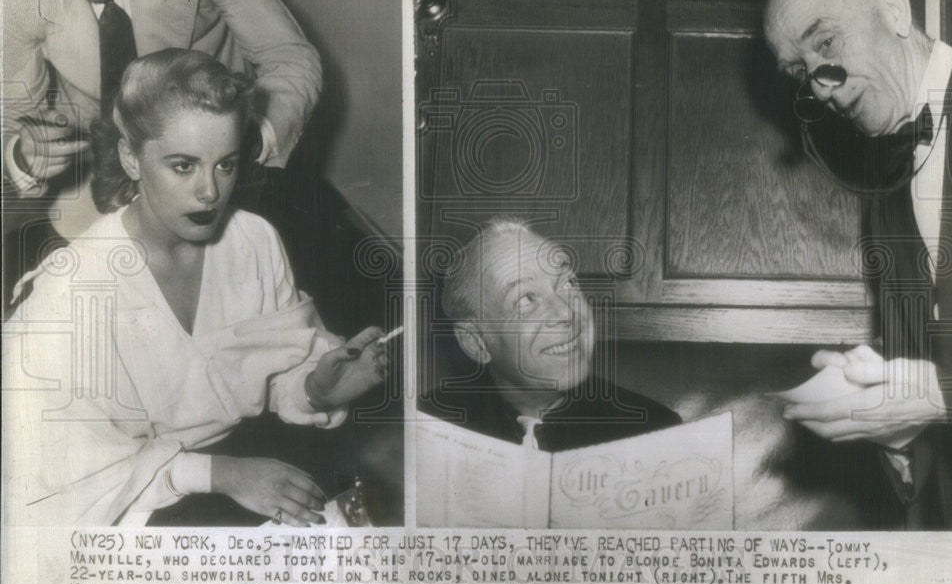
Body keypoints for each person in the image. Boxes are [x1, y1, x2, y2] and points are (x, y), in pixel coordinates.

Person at [1, 50, 382, 527]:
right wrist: (221, 475)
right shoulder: (74, 290)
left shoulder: (253, 241)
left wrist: (317, 388)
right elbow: (62, 469)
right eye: (183, 166)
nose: (209, 192)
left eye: (225, 165)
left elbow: (274, 374)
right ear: (131, 158)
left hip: (248, 458)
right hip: (126, 500)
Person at [763, 0, 952, 528]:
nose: (819, 87)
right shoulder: (887, 187)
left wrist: (940, 394)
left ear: (893, 9)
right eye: (800, 72)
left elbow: (949, 388)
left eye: (827, 44)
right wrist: (888, 404)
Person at [2, 0, 321, 300]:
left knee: (237, 298)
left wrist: (248, 142)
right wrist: (20, 153)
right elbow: (13, 111)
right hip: (91, 165)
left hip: (216, 156)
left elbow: (289, 59)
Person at [420, 218, 681, 451]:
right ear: (476, 342)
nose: (566, 313)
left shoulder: (655, 431)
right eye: (525, 299)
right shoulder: (425, 427)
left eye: (568, 283)